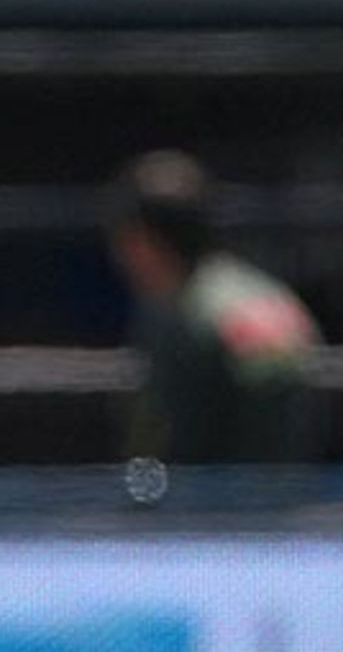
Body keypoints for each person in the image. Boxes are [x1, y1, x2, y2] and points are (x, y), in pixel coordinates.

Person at [108, 149, 321, 466]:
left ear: (143, 239)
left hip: (214, 502)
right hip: (285, 495)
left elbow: (169, 444)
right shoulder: (264, 291)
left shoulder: (180, 316)